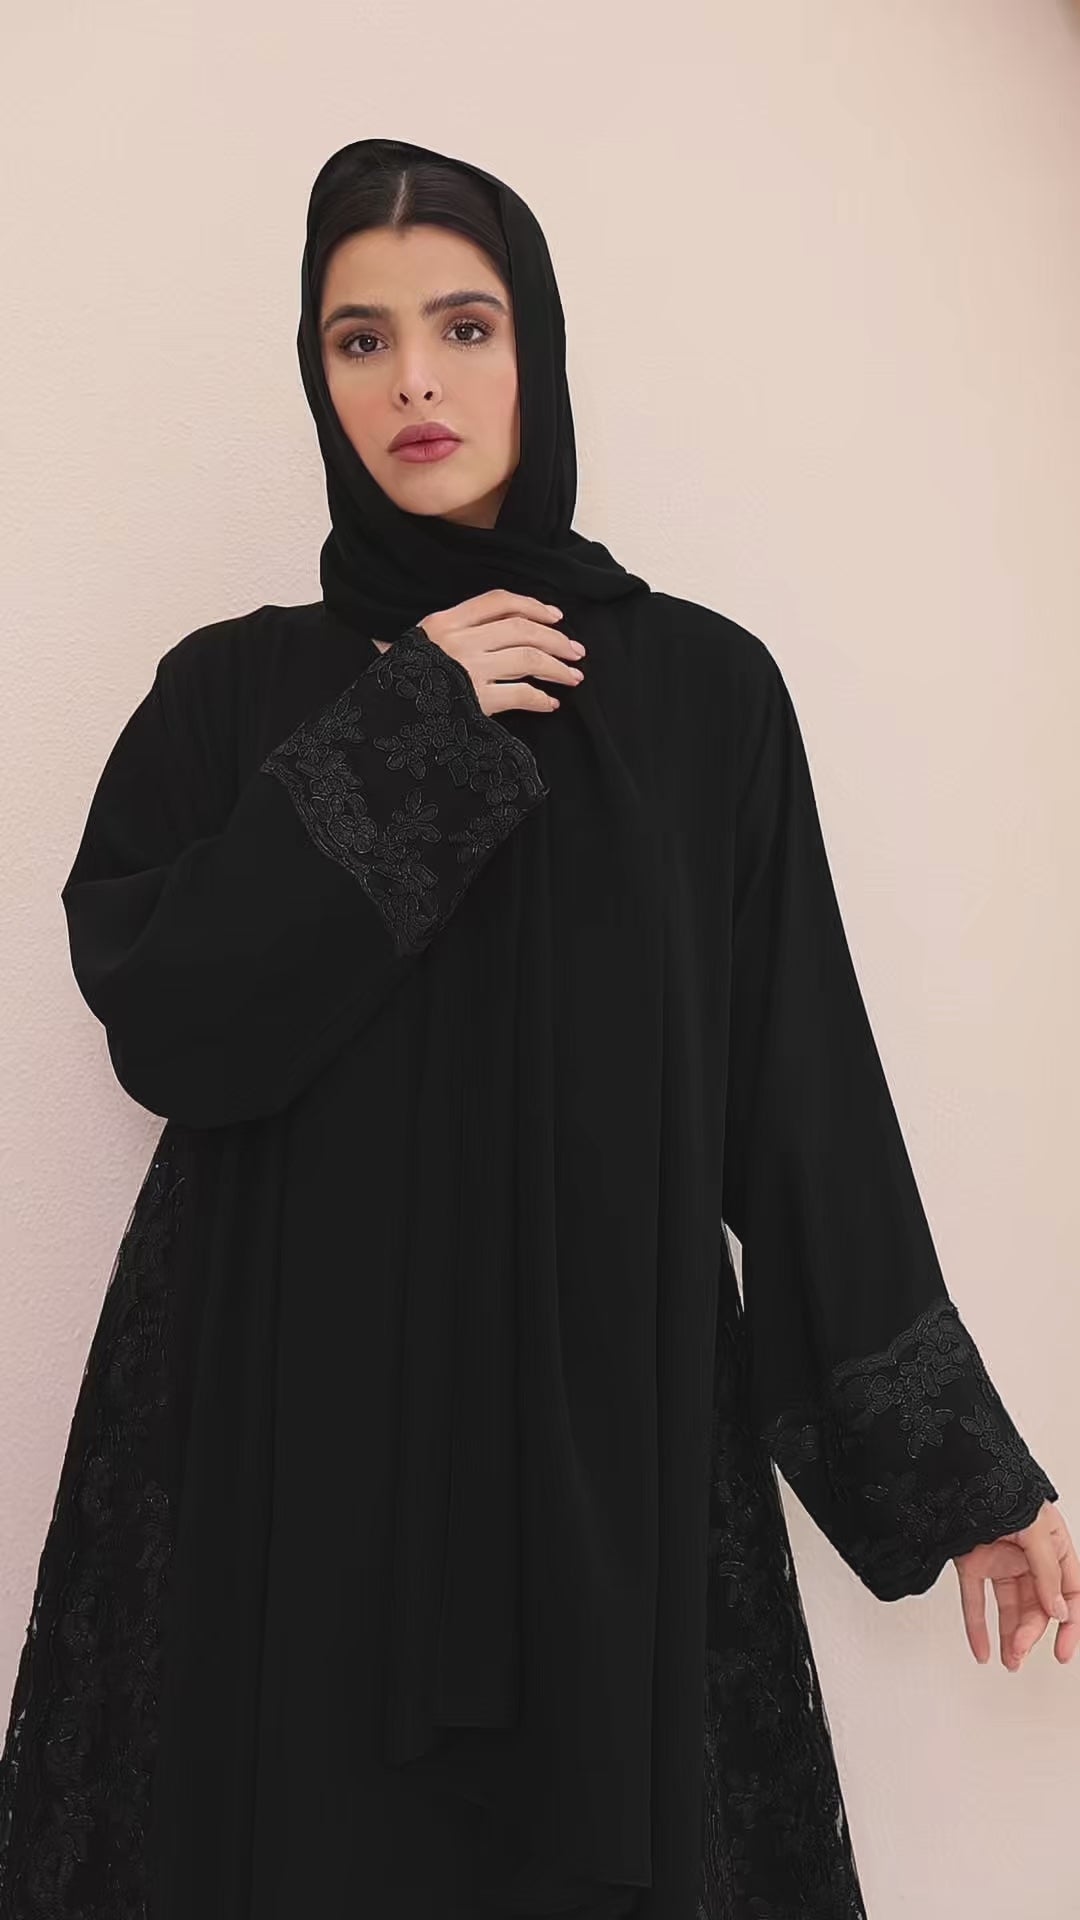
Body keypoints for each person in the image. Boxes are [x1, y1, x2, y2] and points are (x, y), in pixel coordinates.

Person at [0, 135, 1073, 1920]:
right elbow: (170, 1027)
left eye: (464, 325)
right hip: (286, 1469)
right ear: (317, 376)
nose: (414, 380)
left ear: (537, 348)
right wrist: (409, 731)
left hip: (601, 1483)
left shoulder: (702, 698)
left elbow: (797, 1100)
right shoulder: (229, 695)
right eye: (360, 339)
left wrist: (961, 1476)